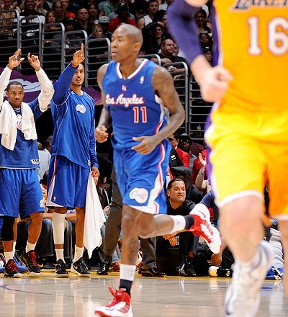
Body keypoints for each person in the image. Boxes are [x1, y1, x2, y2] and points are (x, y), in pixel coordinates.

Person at [168, 0, 288, 316]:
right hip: (238, 116)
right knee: (239, 216)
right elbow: (178, 14)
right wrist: (201, 69)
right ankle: (251, 260)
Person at [93, 24, 221, 317]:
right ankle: (194, 220)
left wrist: (155, 138)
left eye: (121, 39)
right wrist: (103, 125)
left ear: (136, 46)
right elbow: (109, 104)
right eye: (113, 39)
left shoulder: (156, 75)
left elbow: (179, 114)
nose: (114, 44)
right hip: (122, 155)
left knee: (127, 219)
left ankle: (123, 298)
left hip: (150, 156)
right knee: (145, 227)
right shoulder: (105, 73)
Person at [0, 49, 53, 277]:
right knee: (10, 218)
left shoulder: (30, 110)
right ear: (7, 94)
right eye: (13, 92)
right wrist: (8, 68)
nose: (16, 95)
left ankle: (30, 252)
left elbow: (48, 92)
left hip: (29, 169)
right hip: (7, 168)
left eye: (20, 92)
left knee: (37, 214)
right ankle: (9, 261)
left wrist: (38, 69)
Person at [47, 44, 99, 277]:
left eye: (81, 71)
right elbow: (59, 88)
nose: (78, 75)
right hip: (63, 158)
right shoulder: (62, 96)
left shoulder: (89, 101)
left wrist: (94, 161)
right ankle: (60, 260)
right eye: (75, 71)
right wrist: (72, 64)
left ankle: (78, 259)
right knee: (60, 208)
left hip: (83, 163)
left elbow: (90, 134)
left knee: (82, 211)